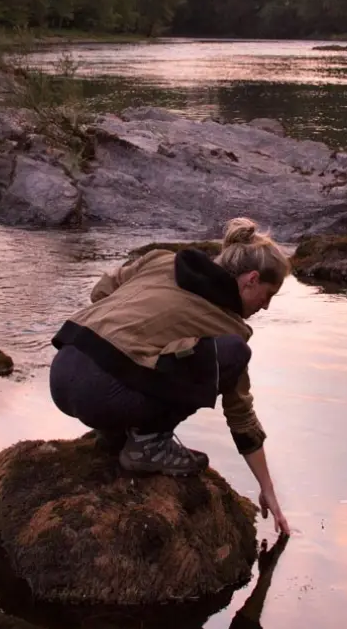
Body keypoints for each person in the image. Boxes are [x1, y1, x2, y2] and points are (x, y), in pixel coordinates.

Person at [50, 217, 292, 537]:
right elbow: (240, 413)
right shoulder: (229, 326)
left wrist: (139, 327)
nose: (266, 306)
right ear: (251, 279)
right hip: (99, 396)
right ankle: (148, 444)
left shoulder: (162, 259)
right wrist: (268, 488)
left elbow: (102, 291)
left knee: (153, 358)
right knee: (230, 354)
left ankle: (117, 434)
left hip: (62, 369)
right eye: (268, 294)